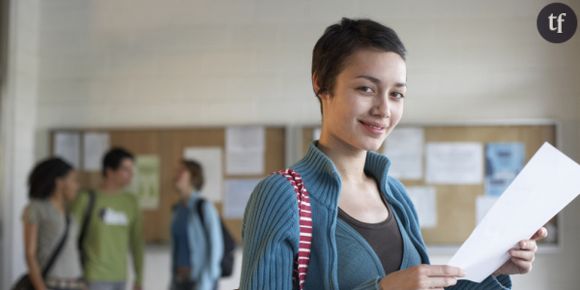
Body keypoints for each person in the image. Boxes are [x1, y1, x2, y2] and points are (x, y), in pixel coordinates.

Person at [239, 18, 547, 290]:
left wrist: (490, 267)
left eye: (396, 94)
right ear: (321, 84)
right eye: (366, 89)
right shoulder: (282, 194)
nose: (383, 110)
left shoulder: (395, 195)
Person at [71, 147, 144, 290]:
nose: (131, 174)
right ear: (110, 172)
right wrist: (76, 278)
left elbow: (137, 243)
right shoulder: (85, 199)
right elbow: (70, 241)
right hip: (92, 277)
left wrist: (139, 278)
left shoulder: (131, 202)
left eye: (131, 170)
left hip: (120, 278)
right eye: (125, 170)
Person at [22, 157, 86, 290]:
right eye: (74, 180)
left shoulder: (69, 213)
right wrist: (41, 287)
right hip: (52, 283)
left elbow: (71, 251)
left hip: (75, 282)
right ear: (59, 182)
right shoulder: (36, 208)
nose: (77, 186)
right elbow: (30, 253)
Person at [170, 159, 223, 290]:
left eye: (181, 171)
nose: (176, 175)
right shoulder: (177, 210)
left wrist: (206, 282)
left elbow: (216, 247)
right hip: (179, 281)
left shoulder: (204, 207)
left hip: (200, 281)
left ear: (193, 177)